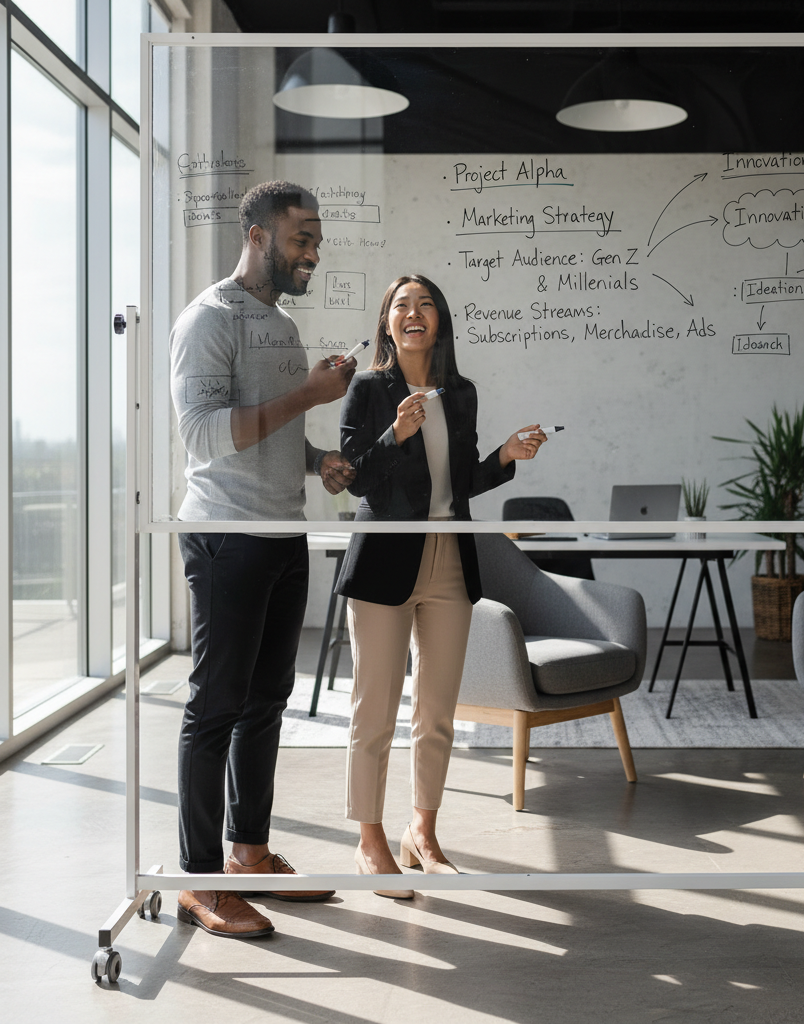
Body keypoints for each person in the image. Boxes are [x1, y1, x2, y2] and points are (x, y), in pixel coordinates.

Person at [170, 180, 357, 938]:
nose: (312, 251)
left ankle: (248, 854)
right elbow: (205, 437)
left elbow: (270, 435)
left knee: (267, 702)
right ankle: (200, 879)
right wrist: (309, 399)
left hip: (283, 534)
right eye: (300, 238)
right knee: (215, 707)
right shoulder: (208, 320)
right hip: (226, 537)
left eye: (315, 239)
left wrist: (318, 464)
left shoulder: (280, 323)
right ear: (257, 237)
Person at [336, 273, 546, 896]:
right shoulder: (368, 389)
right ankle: (369, 838)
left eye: (425, 303)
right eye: (401, 304)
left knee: (438, 710)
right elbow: (354, 478)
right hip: (384, 561)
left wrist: (506, 457)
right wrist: (393, 435)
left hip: (450, 559)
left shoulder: (462, 394)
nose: (414, 312)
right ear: (387, 324)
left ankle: (422, 832)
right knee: (373, 709)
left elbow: (463, 482)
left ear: (441, 321)